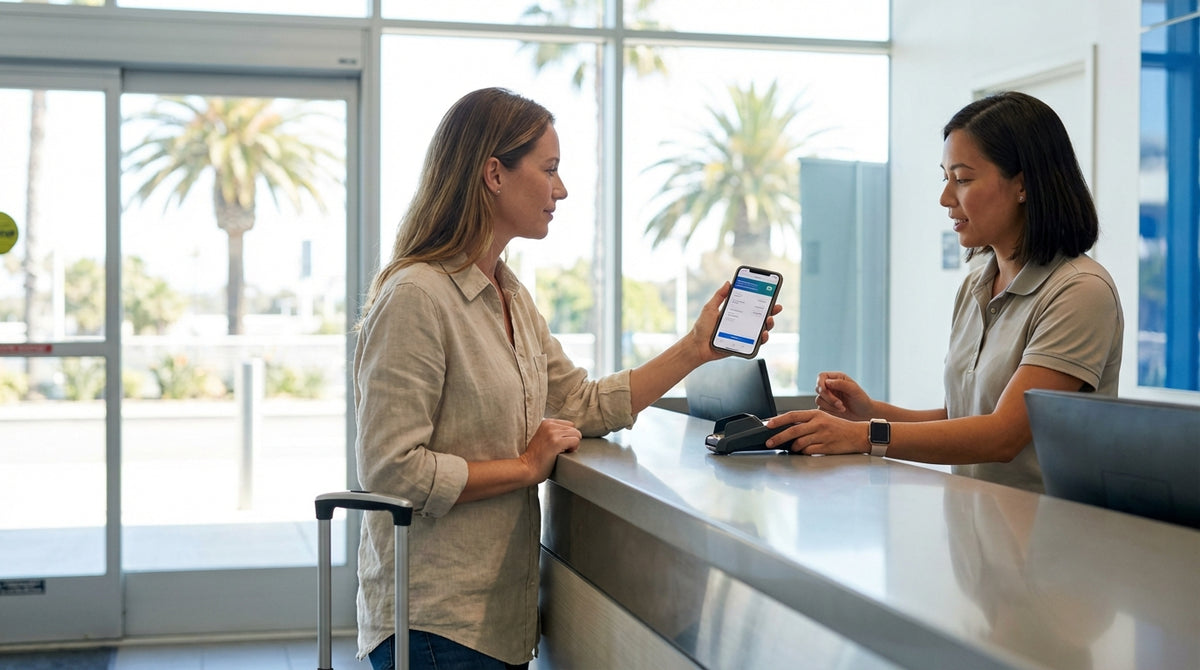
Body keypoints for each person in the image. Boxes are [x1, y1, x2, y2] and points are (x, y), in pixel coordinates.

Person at [352, 87, 780, 670]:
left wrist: (695, 349)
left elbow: (582, 403)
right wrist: (526, 468)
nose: (562, 189)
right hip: (437, 624)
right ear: (493, 174)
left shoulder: (510, 296)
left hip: (497, 621)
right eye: (550, 169)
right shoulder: (416, 296)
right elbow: (390, 468)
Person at [763, 91, 1123, 493]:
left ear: (1022, 185)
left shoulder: (1079, 291)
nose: (945, 198)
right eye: (945, 177)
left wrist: (863, 436)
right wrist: (867, 413)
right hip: (978, 528)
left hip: (1053, 539)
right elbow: (963, 419)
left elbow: (1001, 436)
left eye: (963, 179)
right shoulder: (976, 284)